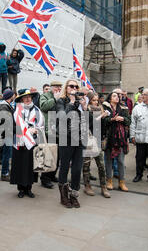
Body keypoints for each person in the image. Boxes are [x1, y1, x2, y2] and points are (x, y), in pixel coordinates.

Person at [56, 79, 87, 208]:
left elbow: (88, 121)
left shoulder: (81, 102)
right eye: (71, 86)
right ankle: (63, 196)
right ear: (66, 88)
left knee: (76, 169)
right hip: (66, 138)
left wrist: (85, 108)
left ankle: (74, 195)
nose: (73, 88)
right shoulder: (61, 101)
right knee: (64, 167)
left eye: (76, 86)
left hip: (79, 138)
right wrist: (72, 102)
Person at [11, 89, 44, 198]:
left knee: (30, 167)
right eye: (25, 97)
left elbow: (41, 126)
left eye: (29, 97)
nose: (28, 99)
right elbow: (12, 127)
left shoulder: (37, 111)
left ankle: (29, 188)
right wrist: (25, 131)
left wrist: (35, 130)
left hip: (32, 142)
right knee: (20, 166)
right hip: (20, 142)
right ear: (21, 99)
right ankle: (21, 189)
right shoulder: (16, 111)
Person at [82, 92, 111, 197]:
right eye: (93, 100)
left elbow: (104, 125)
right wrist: (101, 117)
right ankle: (87, 186)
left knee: (101, 165)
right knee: (86, 165)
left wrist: (107, 117)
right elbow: (89, 123)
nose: (95, 102)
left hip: (98, 140)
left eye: (97, 100)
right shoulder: (86, 109)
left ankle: (103, 187)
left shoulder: (101, 109)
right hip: (89, 140)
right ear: (89, 101)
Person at [102, 90, 131, 192]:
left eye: (118, 96)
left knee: (121, 161)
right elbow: (103, 121)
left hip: (121, 139)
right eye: (114, 96)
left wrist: (122, 118)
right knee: (109, 160)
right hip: (109, 138)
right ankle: (109, 180)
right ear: (110, 98)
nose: (117, 97)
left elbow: (129, 120)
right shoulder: (104, 107)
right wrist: (112, 119)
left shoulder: (124, 108)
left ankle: (121, 182)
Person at [39, 80, 62, 188]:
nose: (59, 89)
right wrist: (54, 99)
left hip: (58, 130)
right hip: (49, 131)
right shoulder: (45, 96)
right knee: (49, 155)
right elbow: (43, 107)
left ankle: (52, 174)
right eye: (57, 87)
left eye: (60, 87)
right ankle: (45, 178)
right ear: (52, 87)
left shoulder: (61, 96)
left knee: (57, 156)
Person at [0, 88, 15, 181]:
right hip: (7, 134)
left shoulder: (5, 106)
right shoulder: (4, 107)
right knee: (6, 155)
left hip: (7, 133)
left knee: (7, 154)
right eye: (13, 95)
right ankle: (4, 173)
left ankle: (6, 172)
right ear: (11, 96)